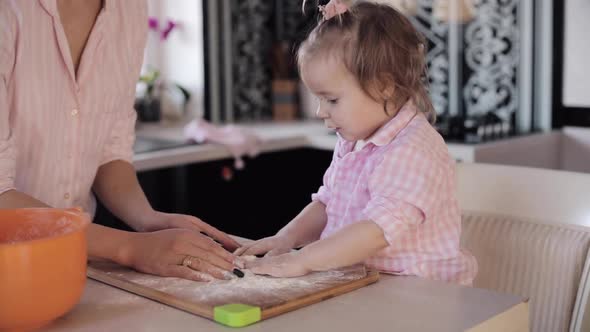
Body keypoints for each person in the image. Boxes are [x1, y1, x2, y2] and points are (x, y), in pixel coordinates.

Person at [237, 0, 477, 285]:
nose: (320, 111)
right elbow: (328, 204)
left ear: (383, 86)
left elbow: (376, 231)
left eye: (332, 99)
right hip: (370, 284)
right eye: (319, 98)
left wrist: (303, 260)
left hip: (423, 294)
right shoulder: (354, 140)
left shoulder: (414, 151)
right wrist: (286, 239)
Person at [0, 0, 241, 281]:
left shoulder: (130, 8)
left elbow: (109, 149)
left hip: (67, 269)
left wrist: (147, 220)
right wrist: (129, 247)